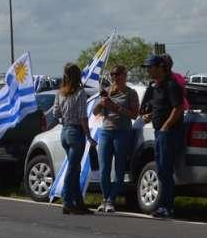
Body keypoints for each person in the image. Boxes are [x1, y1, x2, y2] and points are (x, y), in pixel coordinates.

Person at [141, 55, 184, 219]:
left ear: (160, 67)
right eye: (147, 67)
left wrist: (166, 126)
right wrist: (150, 116)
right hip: (159, 132)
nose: (148, 70)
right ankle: (163, 206)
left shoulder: (171, 85)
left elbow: (178, 108)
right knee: (160, 169)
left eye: (150, 67)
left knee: (165, 170)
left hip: (169, 133)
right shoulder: (156, 87)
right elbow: (160, 108)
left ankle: (167, 207)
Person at [94, 63, 140, 213]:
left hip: (122, 132)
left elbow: (134, 114)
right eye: (112, 74)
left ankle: (111, 199)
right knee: (104, 169)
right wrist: (101, 103)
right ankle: (105, 198)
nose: (114, 77)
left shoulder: (131, 93)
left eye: (117, 74)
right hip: (105, 131)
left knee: (119, 169)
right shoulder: (107, 91)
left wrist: (116, 107)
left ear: (124, 75)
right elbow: (95, 112)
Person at [49, 63, 93, 216]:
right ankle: (67, 201)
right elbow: (83, 117)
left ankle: (79, 203)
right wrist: (89, 136)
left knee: (75, 169)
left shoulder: (60, 93)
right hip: (76, 132)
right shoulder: (80, 93)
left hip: (65, 131)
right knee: (73, 169)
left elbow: (56, 113)